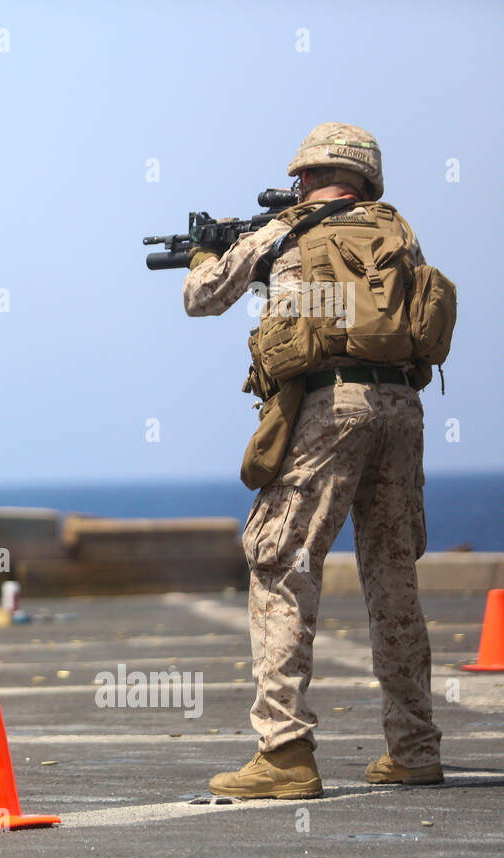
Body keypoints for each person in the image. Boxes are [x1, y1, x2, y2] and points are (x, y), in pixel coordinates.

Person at [183, 122, 444, 798]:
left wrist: (203, 253)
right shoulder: (399, 233)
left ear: (307, 175)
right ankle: (414, 747)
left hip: (331, 408)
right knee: (392, 578)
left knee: (281, 564)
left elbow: (203, 298)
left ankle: (286, 752)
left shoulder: (284, 232)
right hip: (401, 410)